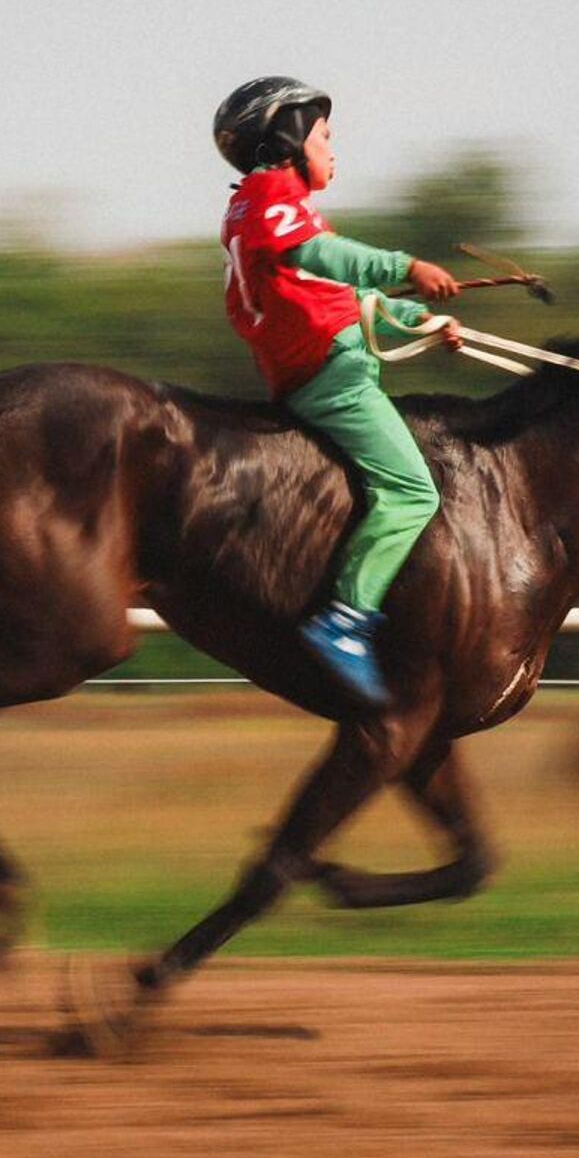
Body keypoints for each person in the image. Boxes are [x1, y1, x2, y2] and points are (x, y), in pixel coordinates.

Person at [212, 76, 460, 707]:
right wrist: (407, 266)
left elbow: (348, 298)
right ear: (289, 138)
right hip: (334, 381)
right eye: (324, 135)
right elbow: (328, 260)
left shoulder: (265, 207)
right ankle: (346, 620)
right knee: (413, 491)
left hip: (321, 372)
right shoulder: (272, 195)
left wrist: (424, 323)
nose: (333, 148)